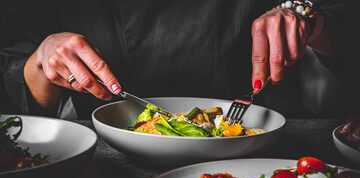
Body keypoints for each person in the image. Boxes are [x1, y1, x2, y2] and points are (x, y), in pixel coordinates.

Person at [0, 0, 355, 125]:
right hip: (103, 158)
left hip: (255, 140)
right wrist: (43, 59)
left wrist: (311, 21)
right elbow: (13, 85)